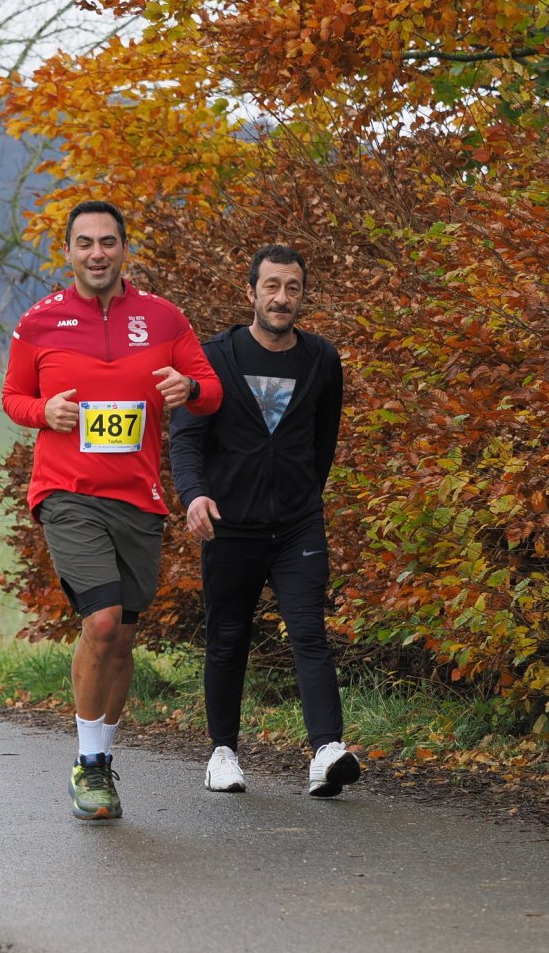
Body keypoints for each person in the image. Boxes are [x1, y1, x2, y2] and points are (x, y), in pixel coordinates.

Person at [2, 200, 221, 821]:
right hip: (67, 493)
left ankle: (103, 753)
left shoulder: (163, 318)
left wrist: (189, 388)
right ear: (68, 252)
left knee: (122, 638)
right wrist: (43, 412)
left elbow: (211, 391)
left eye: (107, 242)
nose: (96, 253)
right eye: (85, 243)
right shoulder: (39, 321)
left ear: (124, 248)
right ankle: (89, 763)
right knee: (100, 622)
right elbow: (13, 396)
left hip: (137, 498)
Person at [169, 244, 362, 798]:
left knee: (309, 631)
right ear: (251, 291)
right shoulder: (214, 358)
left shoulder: (321, 359)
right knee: (228, 637)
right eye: (272, 286)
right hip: (230, 524)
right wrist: (195, 496)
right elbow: (186, 439)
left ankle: (326, 751)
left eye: (292, 288)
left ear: (303, 295)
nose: (282, 298)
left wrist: (301, 497)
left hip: (297, 525)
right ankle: (223, 753)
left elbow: (323, 443)